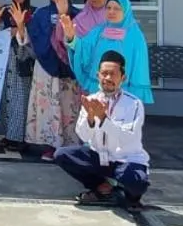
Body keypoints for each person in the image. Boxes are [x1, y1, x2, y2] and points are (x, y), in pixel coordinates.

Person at [53, 50, 150, 209]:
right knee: (62, 155)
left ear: (122, 78)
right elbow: (83, 135)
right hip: (99, 158)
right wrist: (91, 118)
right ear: (98, 76)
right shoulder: (92, 100)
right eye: (104, 74)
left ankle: (130, 196)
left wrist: (103, 119)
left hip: (125, 160)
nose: (108, 78)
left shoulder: (133, 104)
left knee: (136, 181)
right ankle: (103, 188)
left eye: (113, 74)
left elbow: (127, 138)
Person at [25, 0, 79, 161]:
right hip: (46, 69)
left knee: (68, 107)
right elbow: (32, 37)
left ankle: (70, 147)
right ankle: (50, 145)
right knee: (49, 109)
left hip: (69, 69)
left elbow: (78, 40)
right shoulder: (41, 13)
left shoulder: (77, 14)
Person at [70, 0, 154, 105]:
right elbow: (82, 48)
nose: (111, 12)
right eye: (108, 8)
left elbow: (139, 66)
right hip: (99, 88)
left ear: (125, 11)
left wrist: (135, 94)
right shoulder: (98, 31)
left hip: (124, 92)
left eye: (116, 9)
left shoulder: (135, 36)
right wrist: (70, 37)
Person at [0, 0, 35, 152]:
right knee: (6, 98)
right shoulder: (5, 11)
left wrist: (19, 29)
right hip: (6, 58)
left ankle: (20, 138)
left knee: (21, 99)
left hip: (24, 59)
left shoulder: (34, 12)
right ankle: (8, 135)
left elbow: (35, 37)